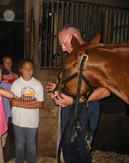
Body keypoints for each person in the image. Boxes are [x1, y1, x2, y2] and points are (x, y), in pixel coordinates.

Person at [46, 26, 110, 163]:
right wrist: (58, 89)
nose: (62, 49)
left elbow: (105, 91)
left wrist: (74, 102)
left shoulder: (95, 55)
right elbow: (76, 84)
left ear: (74, 36)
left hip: (86, 110)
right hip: (68, 110)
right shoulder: (72, 57)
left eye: (64, 43)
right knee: (67, 148)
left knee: (81, 151)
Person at [11, 59, 44, 163]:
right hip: (18, 121)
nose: (28, 71)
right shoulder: (16, 84)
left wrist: (21, 102)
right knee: (19, 145)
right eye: (25, 68)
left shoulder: (38, 84)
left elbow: (40, 104)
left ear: (33, 70)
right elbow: (14, 103)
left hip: (32, 122)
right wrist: (33, 103)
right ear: (21, 70)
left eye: (30, 69)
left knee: (31, 146)